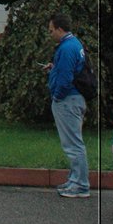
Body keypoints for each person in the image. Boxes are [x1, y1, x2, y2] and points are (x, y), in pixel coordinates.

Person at [45, 12, 90, 198]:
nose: (50, 34)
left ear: (60, 29)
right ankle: (74, 179)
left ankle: (80, 184)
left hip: (67, 100)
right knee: (73, 142)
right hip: (74, 98)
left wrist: (57, 95)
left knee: (73, 144)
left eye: (51, 30)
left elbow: (65, 78)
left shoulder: (66, 48)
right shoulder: (74, 44)